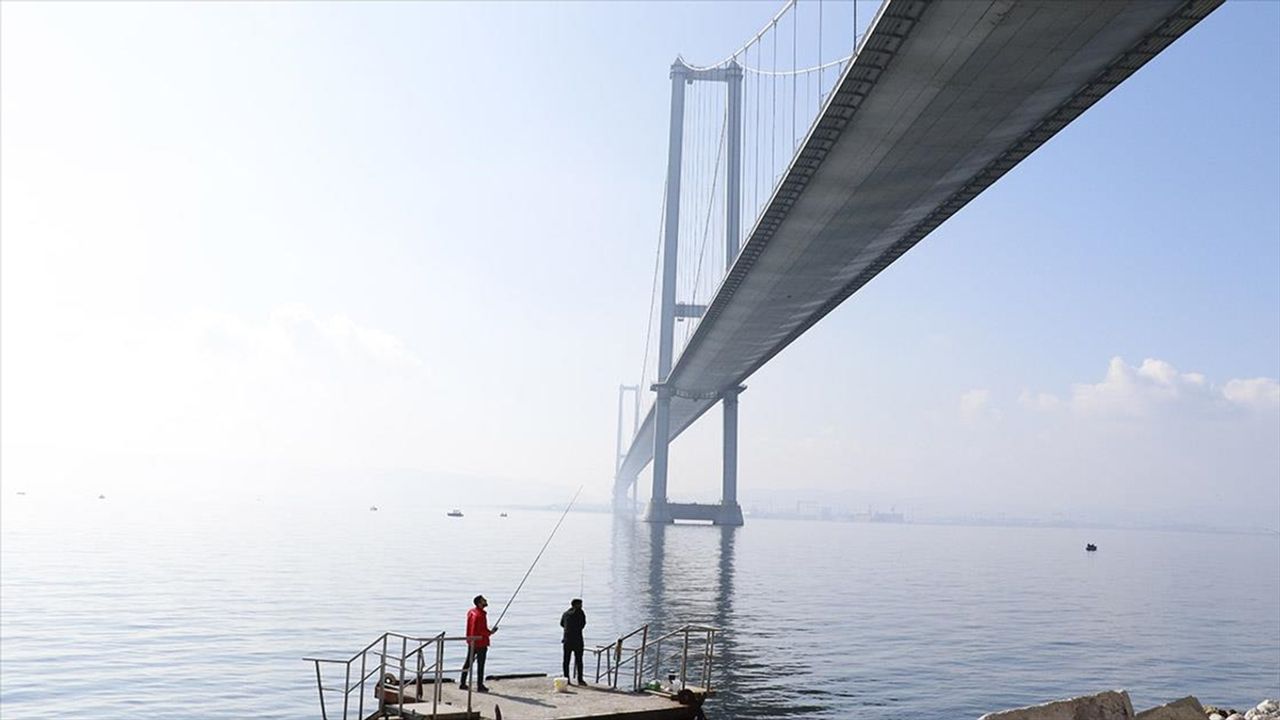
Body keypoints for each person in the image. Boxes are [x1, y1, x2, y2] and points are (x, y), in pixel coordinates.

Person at [460, 594, 497, 692]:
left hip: (472, 641)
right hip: (481, 642)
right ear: (479, 603)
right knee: (480, 665)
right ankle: (480, 685)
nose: (486, 601)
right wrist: (491, 632)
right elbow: (482, 630)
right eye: (483, 600)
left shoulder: (471, 612)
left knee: (468, 662)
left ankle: (462, 683)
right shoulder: (481, 615)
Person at [559, 598, 586, 685]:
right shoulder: (580, 613)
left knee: (566, 660)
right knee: (579, 660)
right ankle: (580, 679)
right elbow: (583, 625)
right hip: (577, 640)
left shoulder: (566, 613)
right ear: (576, 605)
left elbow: (562, 624)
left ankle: (566, 678)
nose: (581, 606)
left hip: (567, 639)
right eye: (580, 604)